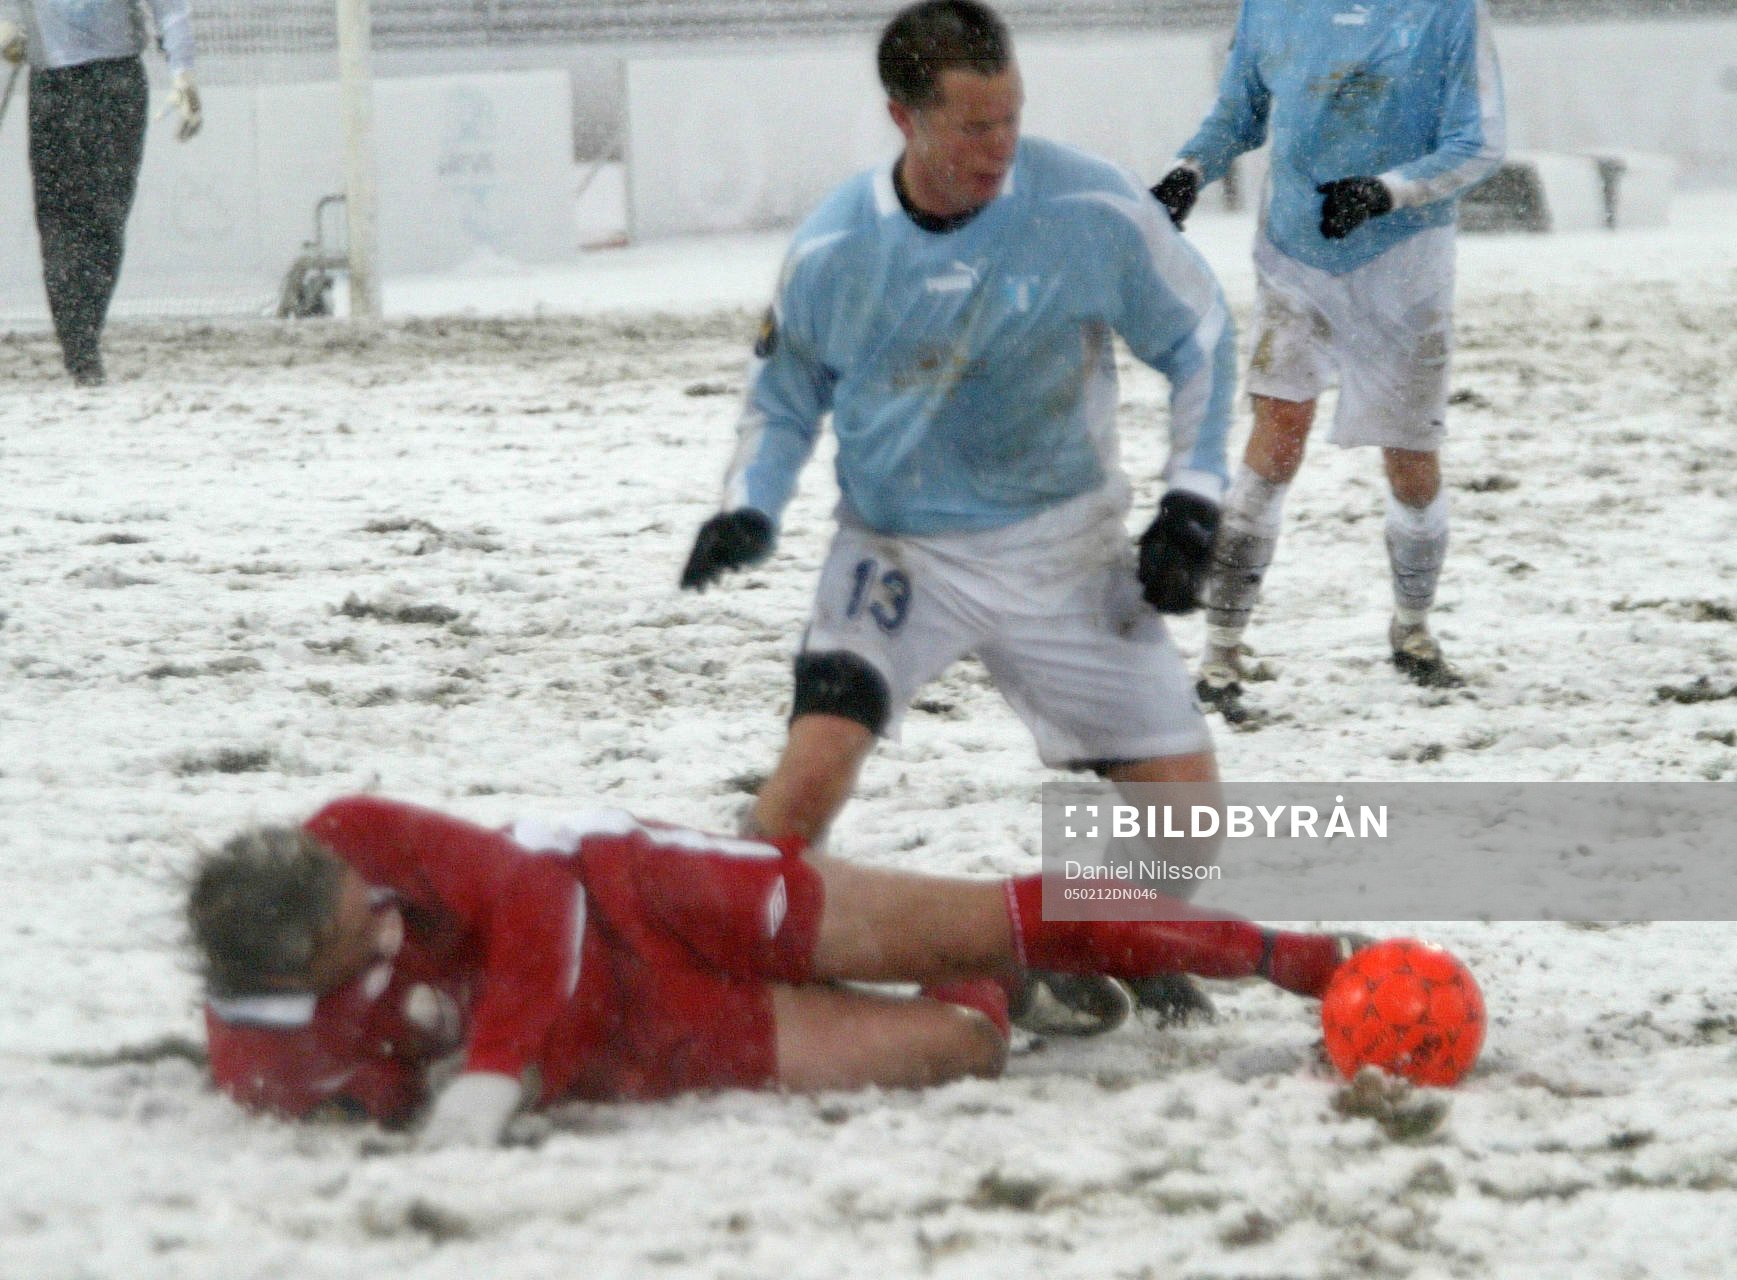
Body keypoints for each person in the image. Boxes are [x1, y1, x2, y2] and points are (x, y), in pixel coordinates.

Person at [678, 0, 1238, 1030]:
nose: (1000, 148)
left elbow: (1202, 334)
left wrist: (1193, 500)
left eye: (1011, 119)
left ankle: (1091, 935)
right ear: (904, 117)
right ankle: (711, 943)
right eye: (973, 128)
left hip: (1064, 549)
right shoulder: (840, 246)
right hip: (900, 551)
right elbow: (786, 391)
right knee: (807, 781)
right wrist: (750, 506)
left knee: (1188, 825)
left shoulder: (1090, 208)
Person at [189, 793, 1364, 1146]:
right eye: (365, 930)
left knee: (970, 918)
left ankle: (1292, 949)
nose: (387, 916)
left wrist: (492, 1065)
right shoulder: (266, 1058)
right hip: (635, 1044)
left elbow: (534, 892)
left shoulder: (349, 831)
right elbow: (370, 1093)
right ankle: (1009, 981)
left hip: (645, 889)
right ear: (303, 969)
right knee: (961, 1051)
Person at [1148, 0, 1506, 722]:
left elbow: (1478, 144)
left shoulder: (1447, 14)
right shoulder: (1271, 9)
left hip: (1405, 263)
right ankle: (1221, 649)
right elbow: (1239, 111)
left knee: (1410, 459)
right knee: (1275, 439)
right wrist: (1189, 168)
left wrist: (1385, 193)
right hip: (1295, 254)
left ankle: (1411, 629)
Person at [0, 0, 202, 387]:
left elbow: (169, 7)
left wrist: (183, 70)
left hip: (116, 80)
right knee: (58, 220)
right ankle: (79, 346)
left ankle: (84, 334)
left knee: (106, 217)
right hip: (54, 81)